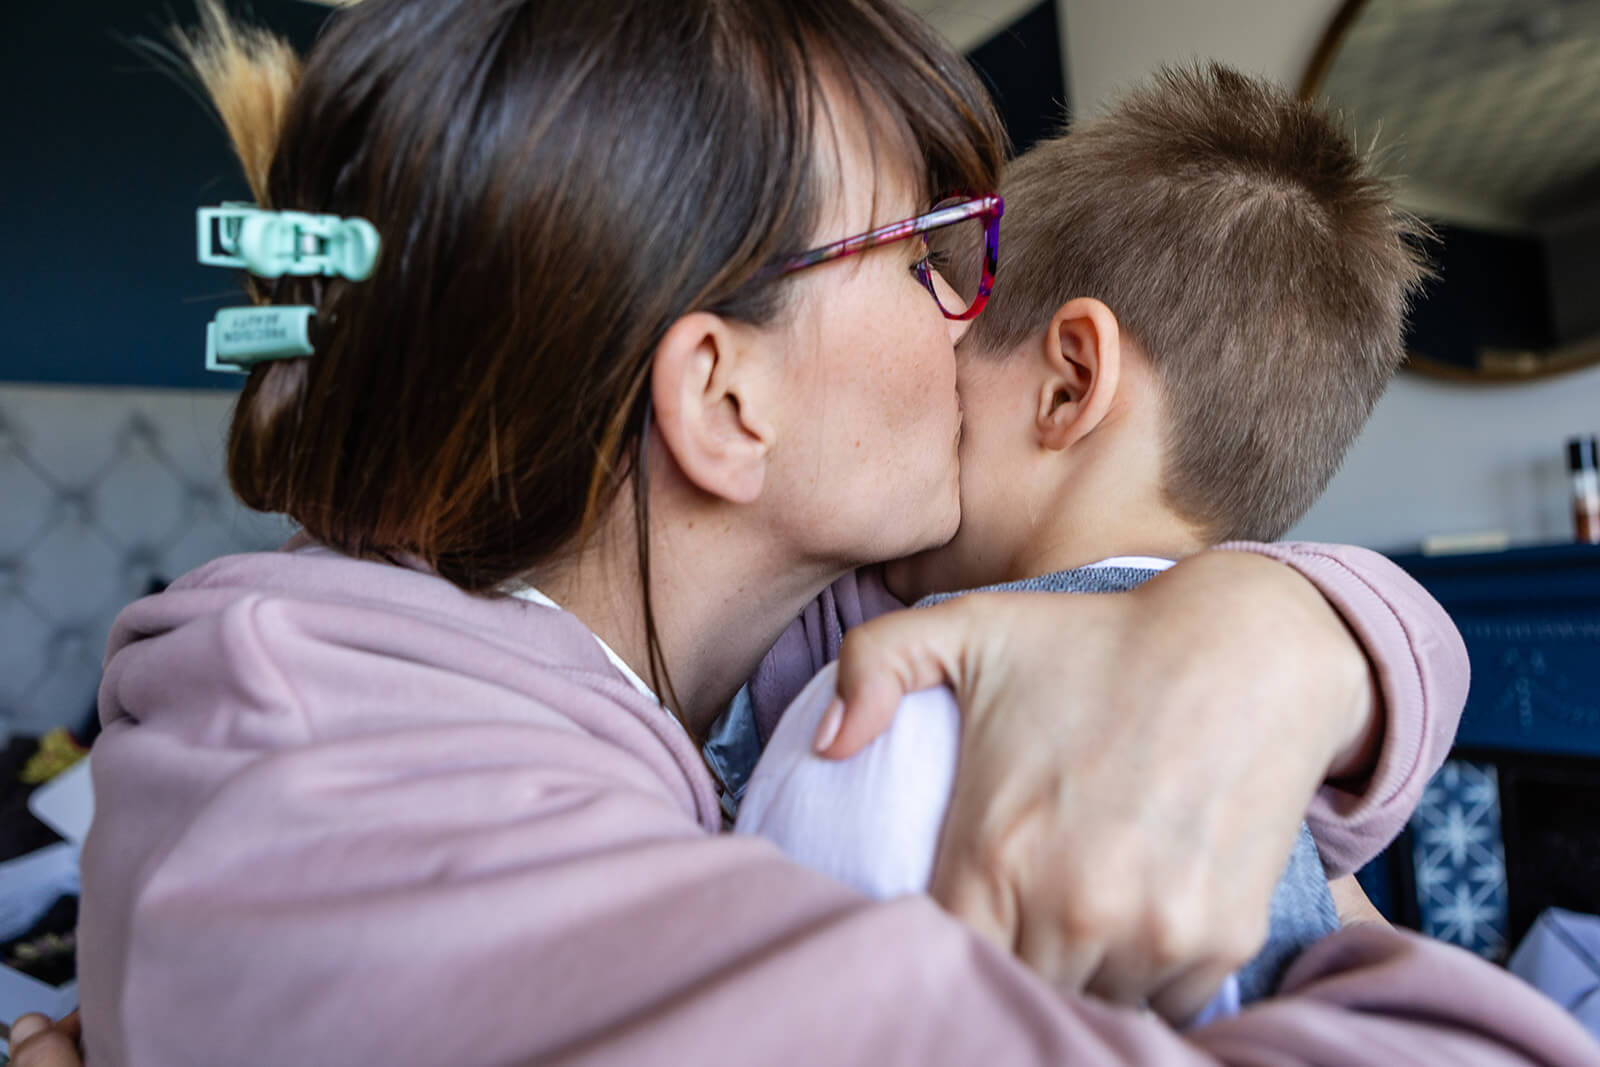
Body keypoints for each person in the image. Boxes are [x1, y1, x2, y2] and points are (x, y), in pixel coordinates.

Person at [12, 1, 1597, 1064]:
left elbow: (1253, 608)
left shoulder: (709, 646)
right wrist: (1347, 924)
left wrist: (1284, 635)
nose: (968, 315)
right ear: (725, 397)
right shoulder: (354, 810)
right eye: (926, 255)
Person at [733, 63, 1432, 1021]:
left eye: (953, 332)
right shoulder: (1286, 758)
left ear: (1068, 384)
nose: (926, 377)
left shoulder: (901, 699)